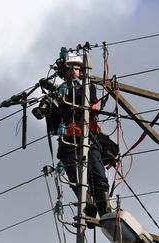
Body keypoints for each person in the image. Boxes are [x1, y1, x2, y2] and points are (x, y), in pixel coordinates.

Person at [44, 50, 112, 218]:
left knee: (98, 173)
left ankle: (105, 210)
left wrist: (61, 93)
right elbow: (53, 125)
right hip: (68, 142)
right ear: (64, 71)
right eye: (71, 68)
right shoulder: (58, 93)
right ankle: (87, 206)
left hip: (89, 138)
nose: (75, 71)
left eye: (77, 68)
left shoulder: (87, 86)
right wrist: (50, 105)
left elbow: (83, 99)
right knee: (75, 175)